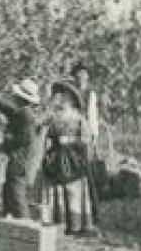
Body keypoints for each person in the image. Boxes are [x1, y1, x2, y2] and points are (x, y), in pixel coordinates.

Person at [40, 81, 98, 235]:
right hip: (57, 158)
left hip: (74, 159)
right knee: (56, 189)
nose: (60, 99)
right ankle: (60, 222)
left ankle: (76, 224)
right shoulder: (53, 118)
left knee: (74, 190)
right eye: (58, 96)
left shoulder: (78, 119)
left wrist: (72, 141)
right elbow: (45, 136)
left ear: (71, 100)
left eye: (64, 97)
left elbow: (87, 139)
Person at [0, 77, 43, 220]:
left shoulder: (25, 115)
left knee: (16, 191)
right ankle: (10, 219)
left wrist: (7, 139)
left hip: (20, 159)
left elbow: (25, 139)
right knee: (9, 189)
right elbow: (5, 108)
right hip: (19, 158)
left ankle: (24, 222)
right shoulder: (22, 111)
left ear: (20, 98)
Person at [70, 62, 100, 155]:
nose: (80, 78)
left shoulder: (90, 94)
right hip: (69, 125)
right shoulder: (69, 92)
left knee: (85, 153)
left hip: (83, 128)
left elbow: (92, 115)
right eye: (78, 76)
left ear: (87, 77)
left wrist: (94, 134)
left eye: (83, 75)